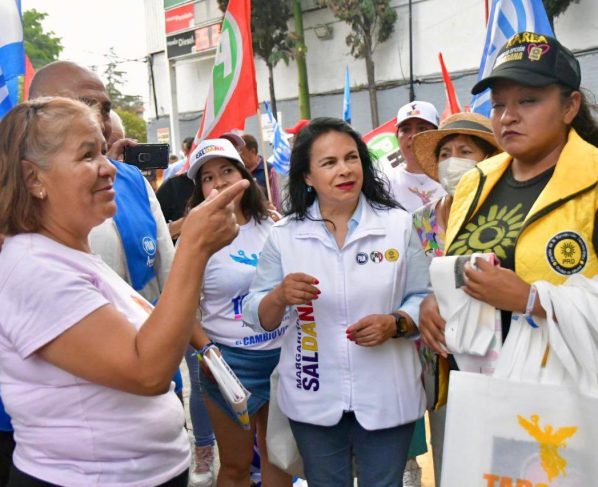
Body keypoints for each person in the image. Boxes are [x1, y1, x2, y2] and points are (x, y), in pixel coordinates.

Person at [0, 96, 249, 485]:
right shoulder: (33, 267)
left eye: (103, 151)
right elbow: (147, 371)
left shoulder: (67, 255)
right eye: (87, 156)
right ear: (34, 179)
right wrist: (195, 248)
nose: (109, 169)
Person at [419, 31, 598, 477]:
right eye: (499, 104)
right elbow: (453, 266)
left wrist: (532, 300)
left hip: (564, 406)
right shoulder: (477, 181)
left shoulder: (593, 180)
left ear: (570, 106)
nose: (508, 117)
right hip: (479, 394)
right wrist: (434, 301)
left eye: (529, 101)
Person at [244, 117, 430, 486]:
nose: (344, 170)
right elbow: (255, 312)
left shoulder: (397, 225)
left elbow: (424, 298)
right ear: (308, 176)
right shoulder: (285, 236)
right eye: (329, 163)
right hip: (313, 395)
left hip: (387, 393)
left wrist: (395, 323)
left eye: (351, 158)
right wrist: (279, 296)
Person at [183, 138, 291, 487]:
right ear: (200, 191)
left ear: (244, 174)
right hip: (229, 365)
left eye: (227, 171)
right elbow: (182, 310)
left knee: (280, 460)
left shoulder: (276, 226)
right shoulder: (195, 238)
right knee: (235, 466)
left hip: (282, 358)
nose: (219, 183)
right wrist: (208, 352)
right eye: (208, 178)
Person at [29, 61, 174, 306]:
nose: (97, 121)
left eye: (105, 110)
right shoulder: (16, 219)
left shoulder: (133, 181)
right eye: (81, 106)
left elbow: (169, 275)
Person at [410, 112, 500, 483]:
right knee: (451, 456)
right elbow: (411, 287)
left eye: (465, 150)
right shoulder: (421, 220)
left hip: (498, 357)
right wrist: (422, 305)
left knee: (502, 455)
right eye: (445, 152)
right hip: (442, 361)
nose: (452, 160)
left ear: (488, 159)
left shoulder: (503, 216)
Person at [390, 101, 446, 213]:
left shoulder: (452, 177)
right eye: (405, 130)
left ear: (437, 136)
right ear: (397, 137)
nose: (413, 136)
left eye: (422, 129)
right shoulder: (386, 184)